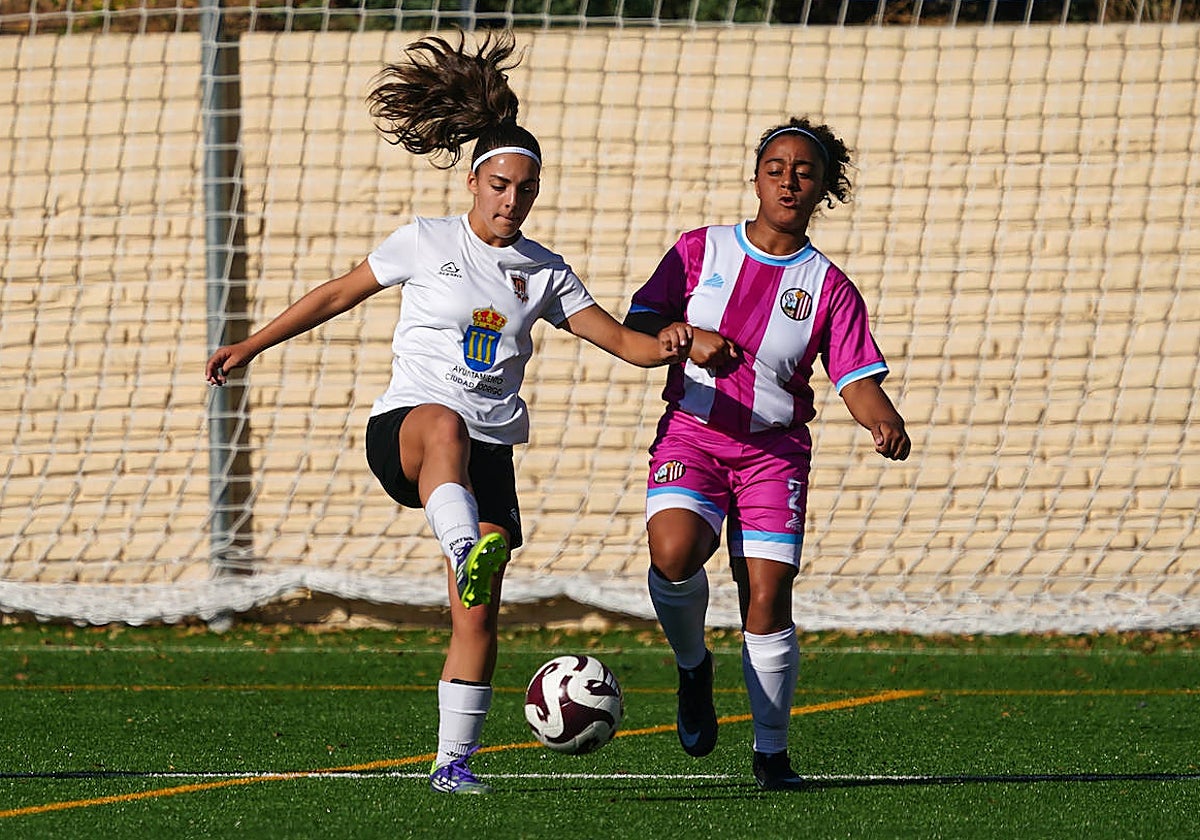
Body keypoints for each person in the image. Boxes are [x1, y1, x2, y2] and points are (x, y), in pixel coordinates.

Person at [204, 30, 692, 795]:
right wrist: (252, 344)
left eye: (526, 189)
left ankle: (452, 763)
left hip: (484, 458)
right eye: (500, 184)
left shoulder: (545, 272)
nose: (512, 199)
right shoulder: (424, 240)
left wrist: (673, 342)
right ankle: (466, 545)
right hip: (408, 433)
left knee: (477, 618)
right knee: (446, 423)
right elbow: (338, 292)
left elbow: (623, 342)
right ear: (472, 182)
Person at [623, 116, 910, 791]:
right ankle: (694, 667)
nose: (789, 179)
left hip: (774, 454)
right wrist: (685, 337)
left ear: (822, 190)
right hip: (692, 434)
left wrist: (884, 420)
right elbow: (639, 322)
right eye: (776, 167)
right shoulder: (700, 250)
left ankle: (772, 755)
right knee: (672, 552)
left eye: (805, 171)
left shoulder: (829, 286)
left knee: (768, 593)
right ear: (756, 178)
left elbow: (856, 378)